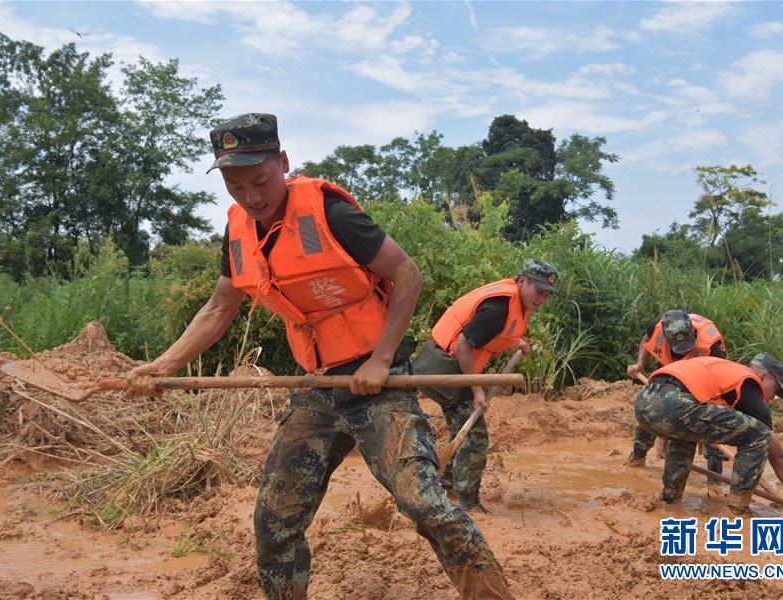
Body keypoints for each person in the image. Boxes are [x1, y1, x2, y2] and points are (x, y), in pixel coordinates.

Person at [128, 114, 513, 599]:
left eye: (261, 181)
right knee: (275, 520)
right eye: (235, 185)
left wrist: (381, 358)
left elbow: (407, 275)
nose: (251, 197)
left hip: (379, 383)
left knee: (426, 504)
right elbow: (220, 307)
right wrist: (165, 364)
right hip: (318, 385)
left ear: (283, 163)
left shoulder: (330, 213)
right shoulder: (239, 231)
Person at [411, 260, 558, 513]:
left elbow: (492, 333)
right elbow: (463, 346)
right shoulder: (498, 308)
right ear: (522, 282)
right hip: (445, 368)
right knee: (476, 437)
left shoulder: (512, 304)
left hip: (449, 367)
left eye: (547, 293)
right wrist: (477, 390)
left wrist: (516, 342)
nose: (542, 298)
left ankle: (447, 481)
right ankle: (469, 502)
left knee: (464, 430)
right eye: (539, 290)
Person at [633, 352, 783, 520]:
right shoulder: (749, 383)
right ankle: (736, 512)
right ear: (764, 376)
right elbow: (778, 456)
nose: (770, 398)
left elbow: (673, 401)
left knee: (688, 436)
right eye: (775, 389)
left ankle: (670, 500)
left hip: (645, 401)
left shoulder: (725, 372)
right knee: (759, 435)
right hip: (675, 405)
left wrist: (664, 435)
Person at [625, 310, 728, 490]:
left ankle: (715, 482)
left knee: (712, 418)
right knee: (652, 405)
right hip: (670, 369)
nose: (683, 349)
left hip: (702, 374)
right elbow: (646, 339)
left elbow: (718, 383)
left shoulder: (712, 345)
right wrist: (640, 364)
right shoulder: (659, 326)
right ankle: (637, 458)